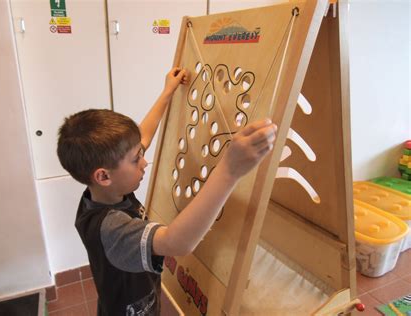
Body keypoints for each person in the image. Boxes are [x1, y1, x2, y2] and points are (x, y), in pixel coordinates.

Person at [57, 67, 277, 315]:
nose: (145, 162)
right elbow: (177, 242)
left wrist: (168, 91)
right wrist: (229, 170)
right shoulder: (110, 228)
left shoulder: (102, 190)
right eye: (136, 159)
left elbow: (144, 134)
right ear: (104, 176)